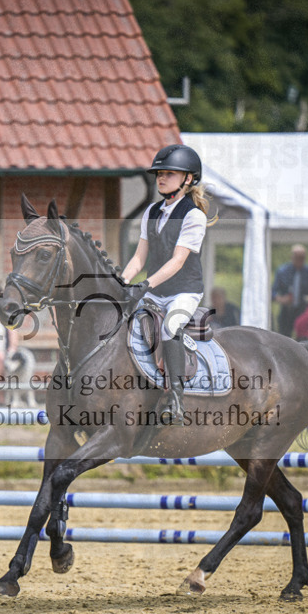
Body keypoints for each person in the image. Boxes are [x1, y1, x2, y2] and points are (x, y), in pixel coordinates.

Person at [121, 144, 215, 424]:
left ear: (188, 179)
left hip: (184, 292)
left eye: (169, 174)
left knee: (170, 327)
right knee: (128, 323)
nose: (161, 178)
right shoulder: (151, 211)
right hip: (156, 290)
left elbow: (177, 262)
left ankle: (176, 397)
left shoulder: (194, 215)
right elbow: (139, 257)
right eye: (159, 173)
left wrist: (145, 284)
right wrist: (123, 282)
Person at [272, 244, 308, 337]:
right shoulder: (282, 271)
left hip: (304, 311)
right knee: (284, 339)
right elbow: (272, 292)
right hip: (286, 312)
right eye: (297, 257)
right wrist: (281, 299)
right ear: (292, 257)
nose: (299, 260)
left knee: (302, 340)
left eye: (302, 257)